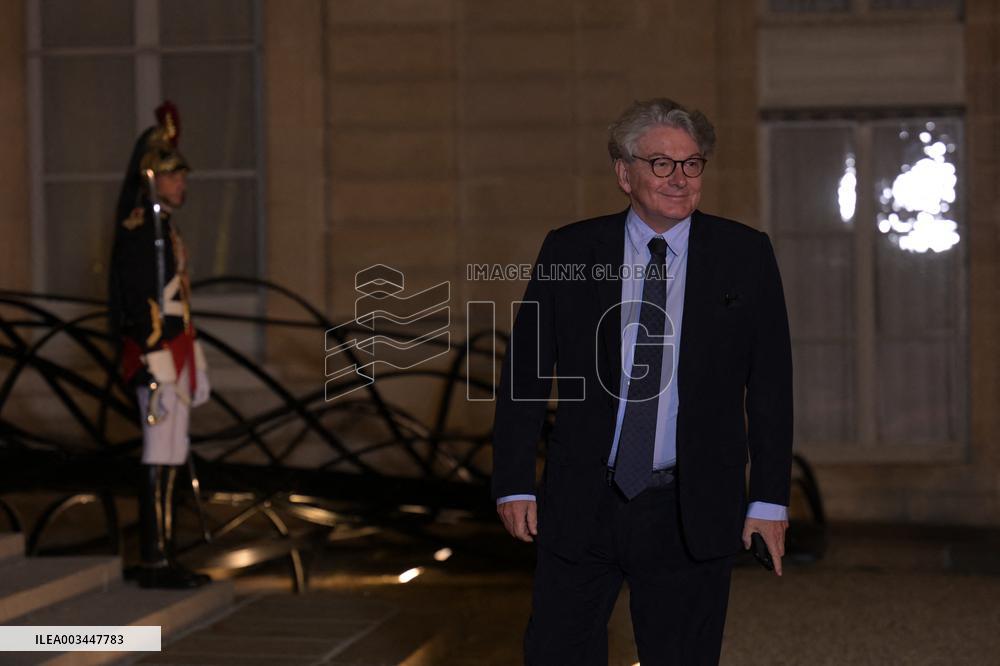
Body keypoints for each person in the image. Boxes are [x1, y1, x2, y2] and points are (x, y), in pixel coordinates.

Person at [492, 98, 793, 665]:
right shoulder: (571, 250)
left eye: (691, 163)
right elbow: (526, 372)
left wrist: (769, 499)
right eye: (661, 163)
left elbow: (773, 385)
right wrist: (514, 482)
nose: (679, 178)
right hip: (581, 502)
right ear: (624, 173)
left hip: (690, 506)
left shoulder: (745, 254)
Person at [109, 101, 211, 589]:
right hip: (157, 355)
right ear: (152, 176)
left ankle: (164, 552)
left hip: (177, 350)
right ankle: (154, 557)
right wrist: (156, 360)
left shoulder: (162, 228)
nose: (181, 184)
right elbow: (138, 299)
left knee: (173, 451)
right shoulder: (139, 231)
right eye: (172, 177)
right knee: (160, 450)